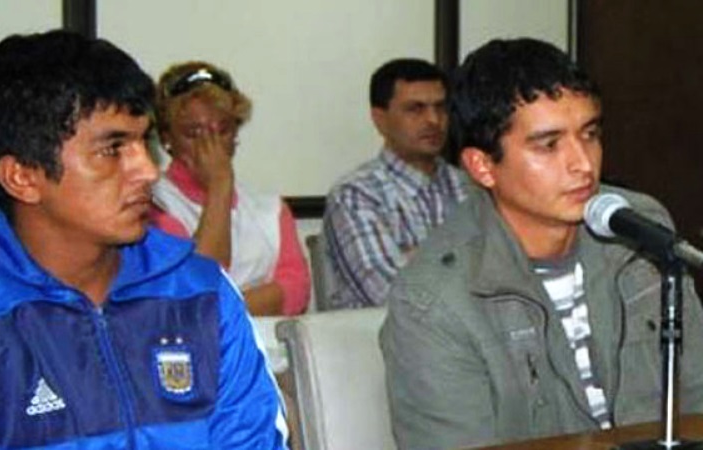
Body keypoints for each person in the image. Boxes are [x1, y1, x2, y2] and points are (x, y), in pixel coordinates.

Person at [0, 31, 287, 449]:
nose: (147, 170)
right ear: (22, 177)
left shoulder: (199, 289)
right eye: (113, 149)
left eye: (144, 142)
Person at [380, 38, 703, 449]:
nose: (583, 164)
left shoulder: (640, 231)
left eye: (589, 134)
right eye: (549, 145)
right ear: (482, 166)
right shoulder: (432, 301)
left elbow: (697, 396)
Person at [151, 61, 310, 316]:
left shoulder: (270, 210)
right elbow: (199, 287)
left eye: (222, 130)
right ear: (166, 138)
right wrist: (219, 186)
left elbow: (296, 290)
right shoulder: (153, 205)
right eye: (193, 133)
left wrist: (222, 312)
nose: (210, 145)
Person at [322, 58, 468, 309]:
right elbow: (390, 295)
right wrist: (464, 259)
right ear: (379, 119)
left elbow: (507, 279)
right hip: (381, 334)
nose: (433, 120)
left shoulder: (473, 188)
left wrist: (420, 258)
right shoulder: (356, 195)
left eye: (441, 108)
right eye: (415, 109)